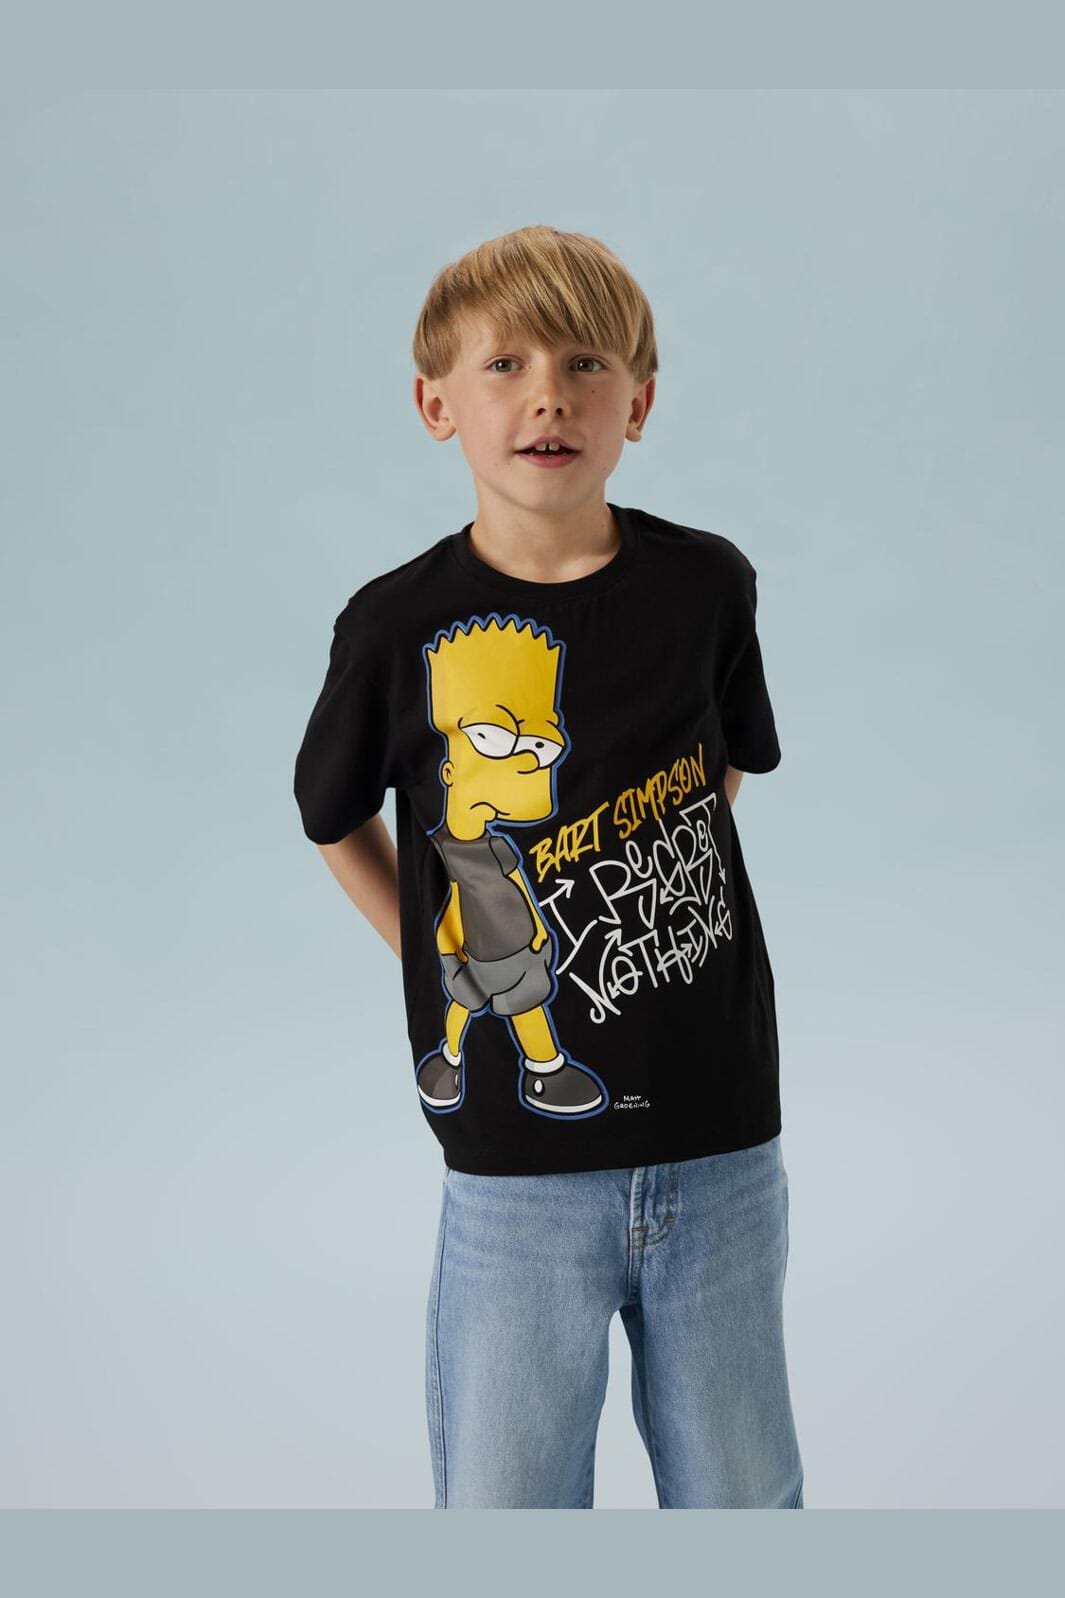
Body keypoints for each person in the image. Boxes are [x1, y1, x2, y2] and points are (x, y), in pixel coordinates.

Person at [293, 224, 804, 1509]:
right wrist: (431, 947)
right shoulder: (396, 624)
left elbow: (719, 771)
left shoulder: (707, 585)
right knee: (508, 1503)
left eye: (585, 364)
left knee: (745, 1495)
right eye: (506, 364)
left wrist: (645, 891)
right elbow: (333, 818)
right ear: (436, 405)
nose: (548, 396)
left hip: (721, 1143)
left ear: (640, 402)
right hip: (515, 1176)